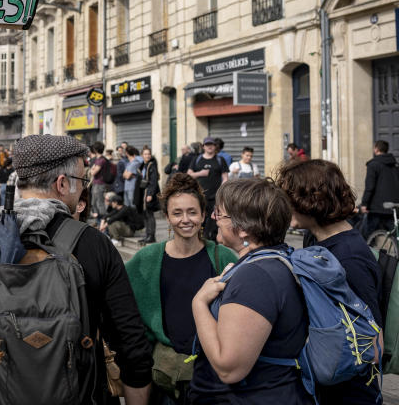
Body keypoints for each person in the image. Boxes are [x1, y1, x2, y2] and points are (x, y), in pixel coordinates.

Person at [0, 134, 153, 405]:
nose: (82, 190)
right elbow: (132, 344)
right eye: (82, 182)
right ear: (62, 184)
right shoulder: (94, 244)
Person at [190, 178, 310, 404]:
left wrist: (198, 304)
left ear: (243, 229)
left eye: (221, 213)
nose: (214, 218)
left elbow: (229, 368)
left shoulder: (256, 276)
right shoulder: (275, 260)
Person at [277, 158, 382, 404]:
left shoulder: (350, 256)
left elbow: (372, 338)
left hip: (350, 391)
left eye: (288, 197)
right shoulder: (314, 240)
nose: (285, 205)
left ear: (311, 200)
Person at [125, 174, 237, 403]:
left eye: (192, 212)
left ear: (204, 215)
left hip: (213, 377)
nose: (186, 219)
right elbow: (125, 313)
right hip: (163, 377)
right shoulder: (146, 259)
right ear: (166, 216)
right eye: (177, 213)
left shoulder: (223, 257)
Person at [188, 137, 229, 241]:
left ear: (215, 146)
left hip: (215, 197)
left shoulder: (220, 160)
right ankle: (198, 241)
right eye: (207, 144)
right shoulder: (197, 159)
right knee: (199, 219)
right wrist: (200, 173)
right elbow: (189, 175)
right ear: (203, 146)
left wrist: (222, 192)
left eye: (212, 144)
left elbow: (225, 178)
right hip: (199, 196)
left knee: (214, 221)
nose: (209, 146)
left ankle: (212, 243)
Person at [360, 140, 399, 238]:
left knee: (365, 236)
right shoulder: (394, 165)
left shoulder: (373, 165)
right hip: (392, 207)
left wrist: (364, 203)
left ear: (376, 149)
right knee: (395, 235)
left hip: (377, 208)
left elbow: (370, 186)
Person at [139, 146, 160, 244]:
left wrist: (150, 194)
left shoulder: (152, 165)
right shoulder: (143, 165)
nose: (147, 156)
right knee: (145, 214)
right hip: (143, 193)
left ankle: (151, 236)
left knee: (149, 214)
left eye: (148, 154)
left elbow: (153, 181)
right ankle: (147, 235)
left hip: (148, 193)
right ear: (142, 155)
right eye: (145, 154)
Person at [88, 141, 110, 220]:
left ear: (95, 149)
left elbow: (93, 172)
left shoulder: (101, 160)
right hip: (96, 184)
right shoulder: (98, 159)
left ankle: (103, 222)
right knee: (94, 203)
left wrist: (92, 169)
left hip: (100, 184)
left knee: (100, 203)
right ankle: (98, 221)